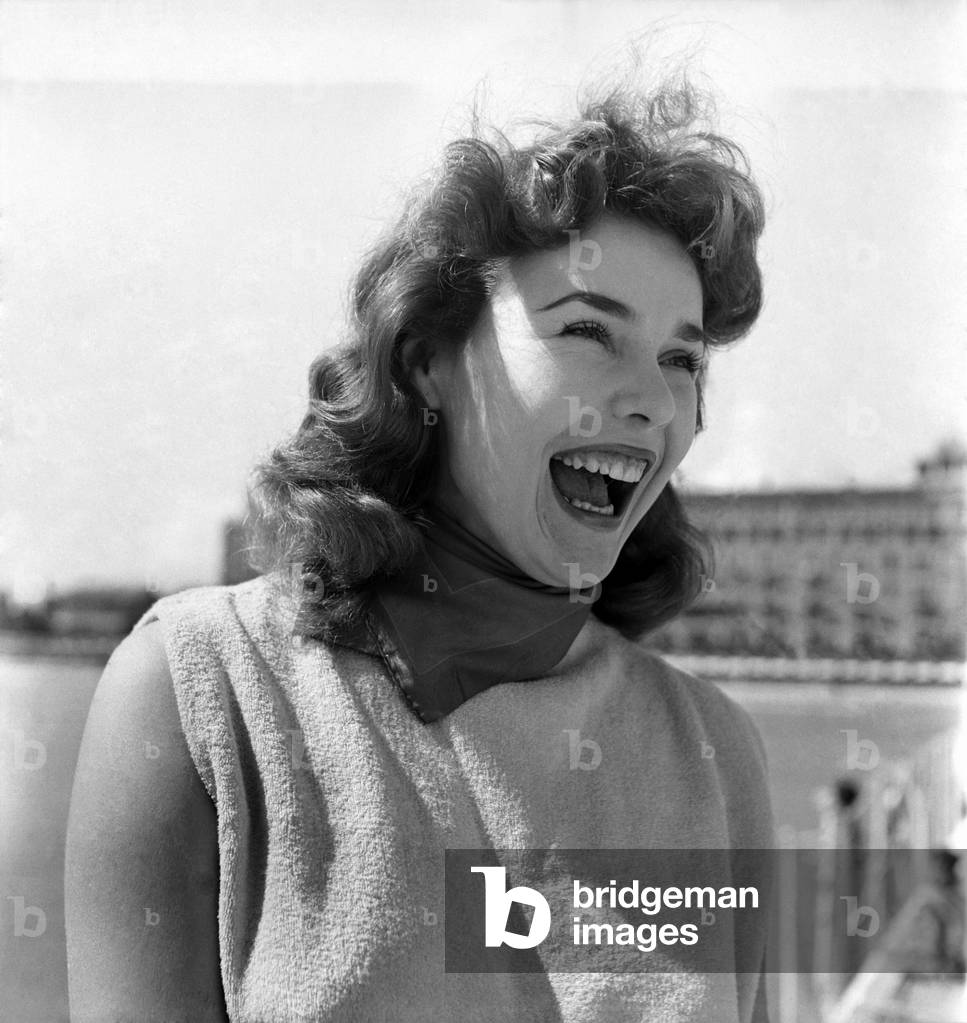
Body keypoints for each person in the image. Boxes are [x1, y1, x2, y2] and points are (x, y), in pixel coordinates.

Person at [64, 75, 774, 1022]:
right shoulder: (197, 688)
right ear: (425, 358)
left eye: (681, 359)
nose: (651, 396)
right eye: (588, 331)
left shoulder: (713, 754)